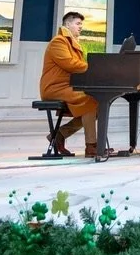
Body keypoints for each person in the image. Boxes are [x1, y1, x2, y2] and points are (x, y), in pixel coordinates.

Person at [40, 11, 98, 157]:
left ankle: (60, 134)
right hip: (54, 88)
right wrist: (95, 67)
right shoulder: (58, 42)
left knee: (98, 104)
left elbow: (78, 66)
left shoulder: (71, 43)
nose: (81, 27)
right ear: (67, 24)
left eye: (81, 24)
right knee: (90, 99)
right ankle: (91, 146)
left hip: (67, 87)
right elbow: (70, 64)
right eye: (78, 24)